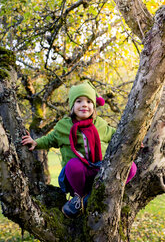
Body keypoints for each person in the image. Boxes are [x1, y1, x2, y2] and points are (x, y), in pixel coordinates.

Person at [22, 81, 137, 218]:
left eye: (89, 101)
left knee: (131, 167)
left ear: (94, 106)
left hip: (101, 170)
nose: (84, 104)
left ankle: (99, 194)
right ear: (72, 106)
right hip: (77, 176)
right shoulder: (63, 126)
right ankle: (80, 197)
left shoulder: (100, 124)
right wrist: (36, 142)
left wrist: (134, 140)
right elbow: (50, 139)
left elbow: (117, 135)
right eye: (79, 101)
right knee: (73, 165)